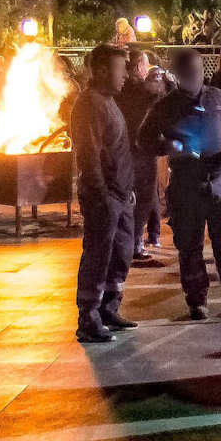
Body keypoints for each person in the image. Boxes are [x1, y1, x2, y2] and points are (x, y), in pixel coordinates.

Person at [141, 48, 221, 321]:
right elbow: (143, 139)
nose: (193, 76)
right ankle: (196, 300)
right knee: (190, 246)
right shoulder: (164, 106)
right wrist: (166, 146)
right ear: (178, 74)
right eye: (187, 72)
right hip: (186, 185)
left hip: (220, 182)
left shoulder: (218, 97)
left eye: (196, 71)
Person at [70, 44, 136, 343]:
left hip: (120, 195)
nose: (125, 75)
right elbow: (89, 156)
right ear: (100, 71)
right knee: (98, 255)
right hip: (105, 198)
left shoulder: (107, 101)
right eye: (119, 68)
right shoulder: (89, 105)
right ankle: (89, 318)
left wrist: (126, 190)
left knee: (120, 253)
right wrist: (102, 196)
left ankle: (109, 309)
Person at [116, 47, 167, 261]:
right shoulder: (143, 90)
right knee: (144, 198)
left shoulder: (118, 90)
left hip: (121, 152)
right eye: (145, 64)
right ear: (138, 66)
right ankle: (135, 242)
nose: (147, 68)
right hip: (142, 152)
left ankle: (128, 241)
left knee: (129, 198)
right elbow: (163, 100)